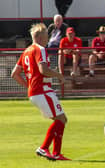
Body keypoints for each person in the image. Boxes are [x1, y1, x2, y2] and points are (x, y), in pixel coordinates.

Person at [11, 23, 70, 161]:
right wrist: (59, 75)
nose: (48, 39)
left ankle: (56, 153)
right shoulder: (40, 49)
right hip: (42, 91)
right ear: (40, 36)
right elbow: (43, 70)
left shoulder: (26, 51)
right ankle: (44, 148)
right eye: (46, 36)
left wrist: (29, 86)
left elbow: (15, 74)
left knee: (60, 119)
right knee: (61, 119)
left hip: (35, 92)